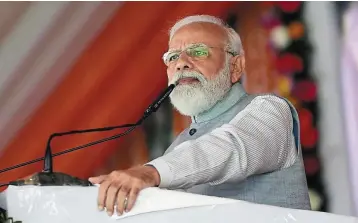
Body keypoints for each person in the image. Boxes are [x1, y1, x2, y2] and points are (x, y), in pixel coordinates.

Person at [89, 15, 311, 216]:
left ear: (235, 66)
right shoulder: (177, 147)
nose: (181, 64)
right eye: (173, 56)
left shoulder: (270, 110)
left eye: (198, 52)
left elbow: (230, 148)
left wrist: (150, 173)